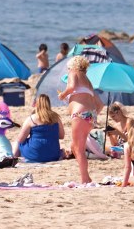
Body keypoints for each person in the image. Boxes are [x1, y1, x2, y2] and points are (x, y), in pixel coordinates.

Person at [58, 55, 103, 184]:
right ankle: (86, 177)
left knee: (79, 149)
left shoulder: (74, 72)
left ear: (73, 66)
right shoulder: (88, 81)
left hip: (79, 115)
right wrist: (92, 115)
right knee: (75, 146)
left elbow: (71, 86)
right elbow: (100, 104)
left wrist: (63, 94)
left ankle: (85, 179)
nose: (68, 70)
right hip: (90, 116)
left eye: (68, 68)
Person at [12, 94, 65, 162]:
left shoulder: (31, 119)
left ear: (37, 104)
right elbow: (61, 136)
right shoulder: (56, 117)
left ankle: (13, 157)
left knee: (17, 142)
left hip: (35, 155)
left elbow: (20, 139)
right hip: (53, 155)